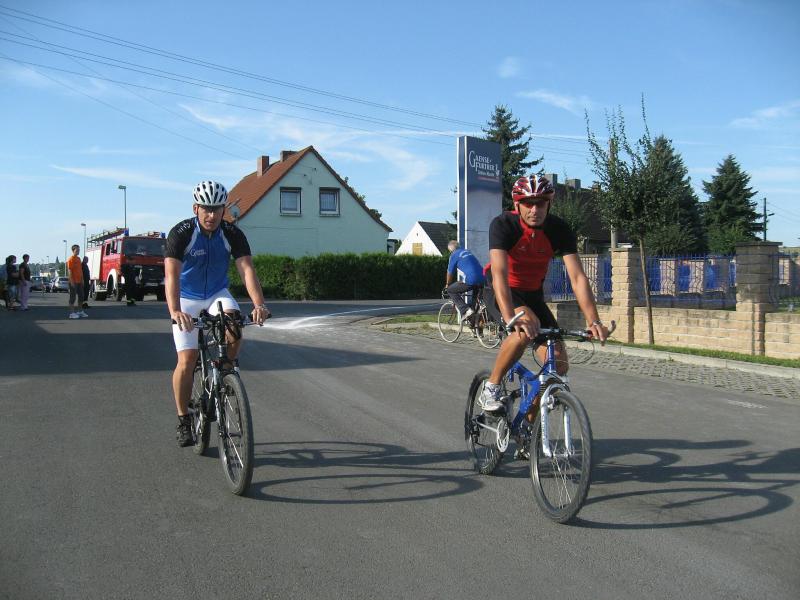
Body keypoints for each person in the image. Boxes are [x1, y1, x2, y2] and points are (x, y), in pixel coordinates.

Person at [480, 175, 609, 415]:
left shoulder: (558, 229)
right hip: (501, 289)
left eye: (540, 203)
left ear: (549, 203)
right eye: (528, 203)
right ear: (517, 204)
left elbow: (577, 277)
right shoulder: (503, 224)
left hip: (533, 295)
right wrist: (510, 317)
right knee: (523, 329)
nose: (534, 210)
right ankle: (492, 387)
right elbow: (499, 273)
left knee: (558, 363)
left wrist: (594, 321)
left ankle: (529, 424)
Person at [166, 180, 270, 447]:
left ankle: (224, 373)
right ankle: (183, 419)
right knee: (187, 360)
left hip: (216, 293)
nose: (211, 215)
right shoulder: (181, 233)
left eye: (217, 209)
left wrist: (259, 304)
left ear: (224, 209)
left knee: (234, 327)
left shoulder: (232, 233)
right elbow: (172, 275)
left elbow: (246, 270)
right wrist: (175, 310)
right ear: (196, 208)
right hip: (186, 298)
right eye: (206, 209)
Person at [445, 240, 485, 322]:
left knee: (450, 290)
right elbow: (471, 268)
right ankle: (475, 323)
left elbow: (450, 272)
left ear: (451, 250)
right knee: (475, 304)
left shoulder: (454, 255)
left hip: (472, 279)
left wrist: (447, 284)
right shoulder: (467, 252)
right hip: (483, 278)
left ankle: (465, 310)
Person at [66, 244, 88, 319]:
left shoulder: (78, 259)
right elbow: (69, 271)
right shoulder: (70, 259)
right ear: (73, 250)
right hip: (73, 282)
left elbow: (80, 271)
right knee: (73, 298)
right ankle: (72, 313)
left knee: (81, 296)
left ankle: (80, 311)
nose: (78, 251)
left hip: (79, 281)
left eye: (79, 250)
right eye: (77, 250)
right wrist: (71, 281)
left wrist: (82, 280)